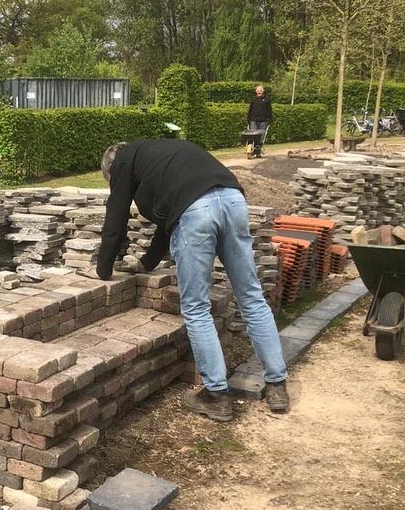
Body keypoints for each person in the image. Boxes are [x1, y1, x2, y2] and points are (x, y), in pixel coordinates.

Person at [88, 139, 289, 421]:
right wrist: (146, 264)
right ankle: (277, 385)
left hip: (198, 213)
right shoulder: (160, 154)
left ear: (111, 166)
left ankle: (216, 395)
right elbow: (169, 219)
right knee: (252, 297)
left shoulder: (121, 161)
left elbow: (116, 216)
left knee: (196, 307)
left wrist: (103, 268)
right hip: (234, 201)